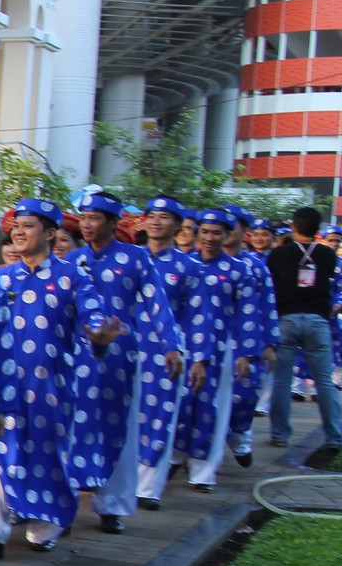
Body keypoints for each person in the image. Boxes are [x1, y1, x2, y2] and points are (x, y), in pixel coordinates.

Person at [0, 199, 108, 557]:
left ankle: (48, 521)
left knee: (49, 456)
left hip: (51, 388)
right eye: (16, 226)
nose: (19, 233)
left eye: (28, 226)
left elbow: (94, 316)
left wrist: (99, 335)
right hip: (2, 386)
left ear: (51, 233)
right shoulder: (1, 277)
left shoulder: (73, 276)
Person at [64, 188, 180, 536]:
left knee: (119, 430)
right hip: (74, 356)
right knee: (70, 428)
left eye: (95, 218)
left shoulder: (135, 258)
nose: (86, 224)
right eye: (83, 217)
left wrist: (171, 345)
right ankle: (62, 503)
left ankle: (112, 505)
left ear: (114, 223)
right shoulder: (72, 261)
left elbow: (157, 303)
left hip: (120, 357)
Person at [135, 196, 207, 509]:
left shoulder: (189, 267)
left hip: (166, 355)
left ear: (178, 226)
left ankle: (148, 488)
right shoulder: (130, 260)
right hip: (124, 351)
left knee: (159, 416)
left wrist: (199, 358)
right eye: (151, 215)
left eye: (164, 217)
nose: (156, 222)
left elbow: (199, 316)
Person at [178, 209, 253, 493]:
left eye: (216, 233)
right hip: (184, 346)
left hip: (223, 351)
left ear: (227, 235)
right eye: (205, 232)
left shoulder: (239, 270)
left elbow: (248, 314)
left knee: (214, 410)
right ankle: (176, 457)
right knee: (182, 405)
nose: (210, 238)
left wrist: (246, 353)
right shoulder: (185, 265)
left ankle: (204, 473)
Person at [266, 206, 342, 451]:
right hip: (318, 320)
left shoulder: (278, 254)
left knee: (282, 380)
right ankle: (335, 436)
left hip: (286, 319)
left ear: (293, 226)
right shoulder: (329, 256)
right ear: (318, 230)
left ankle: (279, 434)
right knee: (324, 382)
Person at [222, 207, 279, 465]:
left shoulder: (255, 267)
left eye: (232, 226)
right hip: (211, 341)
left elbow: (267, 306)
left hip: (246, 342)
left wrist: (269, 344)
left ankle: (240, 440)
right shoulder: (199, 262)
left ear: (244, 231)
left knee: (242, 397)